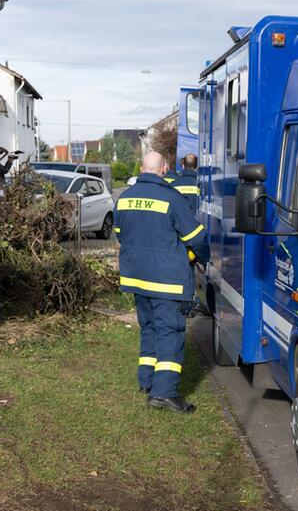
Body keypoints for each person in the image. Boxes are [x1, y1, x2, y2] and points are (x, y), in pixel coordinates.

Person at [115, 151, 209, 414]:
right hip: (166, 281)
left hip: (137, 277)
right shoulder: (171, 198)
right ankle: (164, 393)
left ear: (142, 168)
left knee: (149, 329)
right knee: (169, 332)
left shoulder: (124, 198)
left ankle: (146, 381)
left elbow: (121, 234)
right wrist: (202, 258)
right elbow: (196, 237)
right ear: (164, 169)